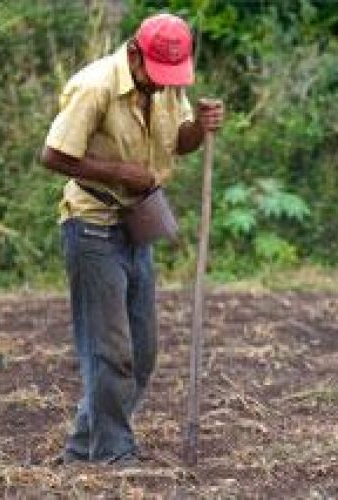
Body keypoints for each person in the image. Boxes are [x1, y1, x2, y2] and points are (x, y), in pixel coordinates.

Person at [40, 13, 224, 464]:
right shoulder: (96, 86)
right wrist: (120, 172)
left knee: (142, 352)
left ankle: (85, 444)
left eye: (171, 78)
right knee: (111, 349)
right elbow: (53, 154)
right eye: (156, 75)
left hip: (136, 225)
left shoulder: (165, 84)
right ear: (135, 53)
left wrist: (200, 127)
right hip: (91, 225)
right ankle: (113, 453)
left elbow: (179, 141)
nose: (163, 86)